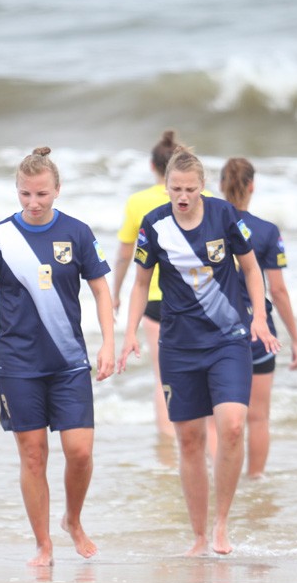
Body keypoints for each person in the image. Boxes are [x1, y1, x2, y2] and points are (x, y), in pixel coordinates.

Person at [117, 147, 279, 556]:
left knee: (232, 425)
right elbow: (140, 285)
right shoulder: (154, 225)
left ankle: (222, 524)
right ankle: (199, 535)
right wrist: (130, 332)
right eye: (175, 189)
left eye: (190, 189)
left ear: (202, 187)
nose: (183, 196)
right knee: (188, 441)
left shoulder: (225, 216)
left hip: (228, 338)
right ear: (166, 186)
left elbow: (251, 269)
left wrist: (259, 316)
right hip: (179, 345)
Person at [0, 147, 115, 568]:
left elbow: (101, 290)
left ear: (57, 190)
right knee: (32, 455)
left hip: (69, 361)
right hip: (18, 363)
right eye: (25, 194)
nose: (33, 203)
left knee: (79, 451)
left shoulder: (78, 233)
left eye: (42, 194)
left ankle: (73, 521)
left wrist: (109, 343)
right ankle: (43, 544)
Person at [219, 157, 297, 478]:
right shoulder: (267, 231)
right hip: (259, 331)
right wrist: (295, 338)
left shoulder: (209, 226)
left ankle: (221, 479)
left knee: (219, 418)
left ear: (219, 185)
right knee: (258, 417)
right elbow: (278, 291)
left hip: (216, 330)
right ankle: (254, 481)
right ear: (252, 186)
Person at [111, 129, 184, 441]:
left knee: (162, 378)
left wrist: (115, 293)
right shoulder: (200, 197)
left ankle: (168, 445)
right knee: (198, 376)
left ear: (153, 167)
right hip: (194, 299)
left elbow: (126, 253)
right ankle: (200, 445)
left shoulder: (137, 202)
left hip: (153, 300)